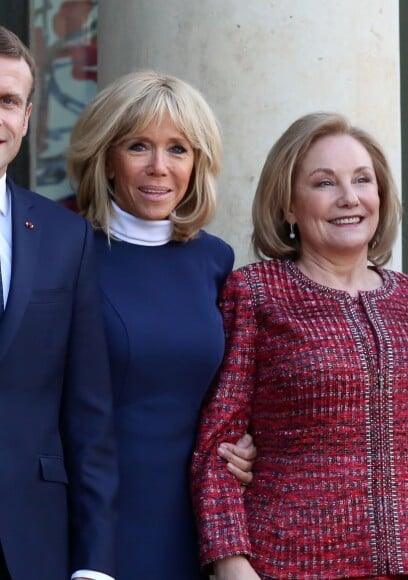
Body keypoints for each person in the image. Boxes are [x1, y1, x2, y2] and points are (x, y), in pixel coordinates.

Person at [191, 112, 408, 579]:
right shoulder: (254, 293)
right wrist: (233, 565)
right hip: (282, 568)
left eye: (362, 180)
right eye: (324, 183)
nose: (349, 198)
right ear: (289, 205)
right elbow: (218, 449)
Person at [67, 71, 256, 580]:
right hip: (96, 518)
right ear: (107, 157)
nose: (159, 167)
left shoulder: (215, 260)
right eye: (138, 146)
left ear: (197, 164)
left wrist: (251, 440)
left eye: (178, 149)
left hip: (198, 519)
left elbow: (233, 388)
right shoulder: (67, 254)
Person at [0, 26, 117, 580]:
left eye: (7, 101)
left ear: (26, 118)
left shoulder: (65, 237)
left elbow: (88, 414)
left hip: (30, 540)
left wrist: (93, 565)